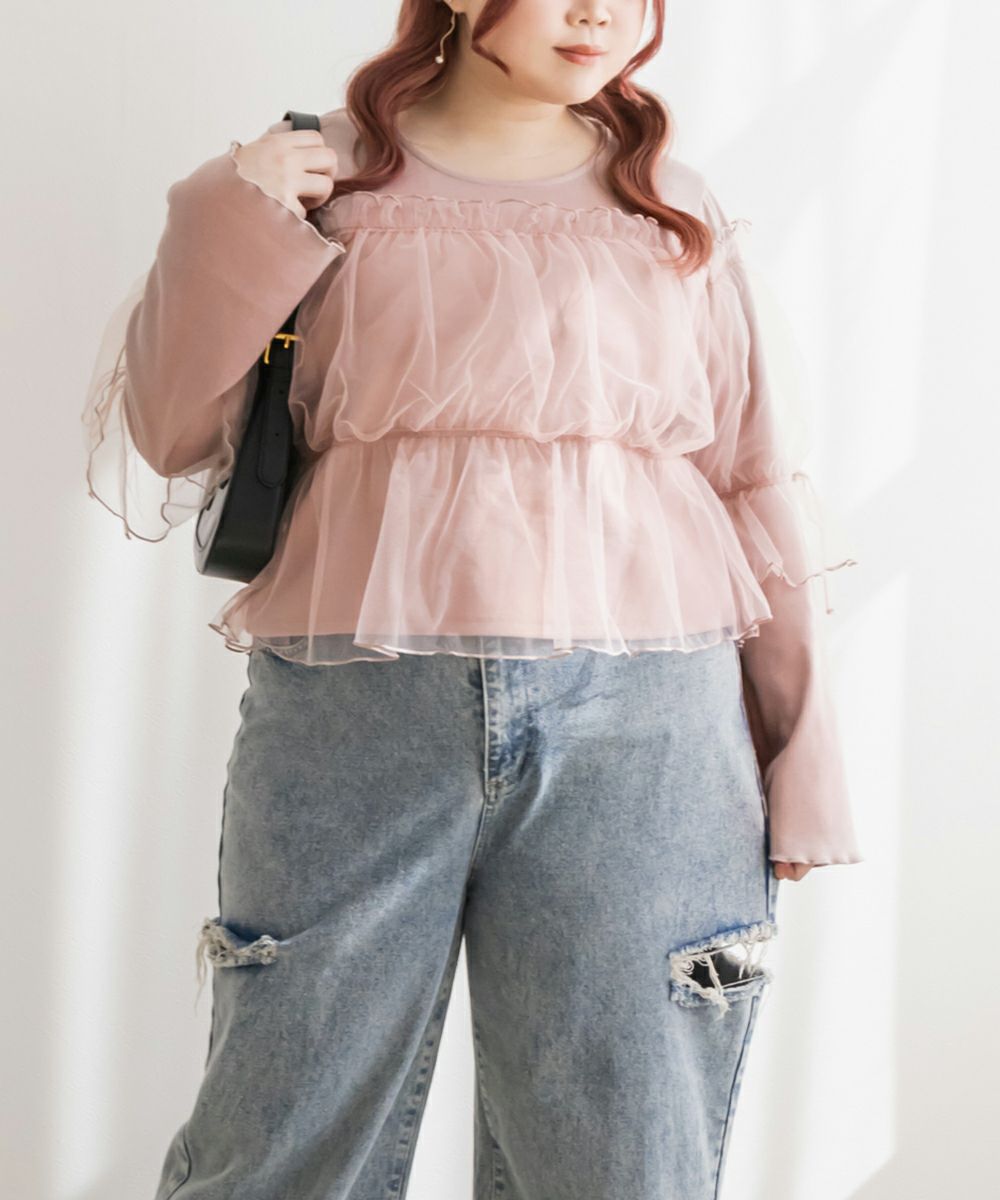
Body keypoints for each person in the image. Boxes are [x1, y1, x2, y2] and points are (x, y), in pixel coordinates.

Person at [80, 2, 865, 1196]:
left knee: (619, 1154)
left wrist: (802, 751)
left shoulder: (671, 205)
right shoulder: (315, 181)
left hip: (648, 726)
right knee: (282, 1143)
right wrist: (231, 216)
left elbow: (750, 481)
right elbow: (170, 428)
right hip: (353, 713)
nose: (600, 12)